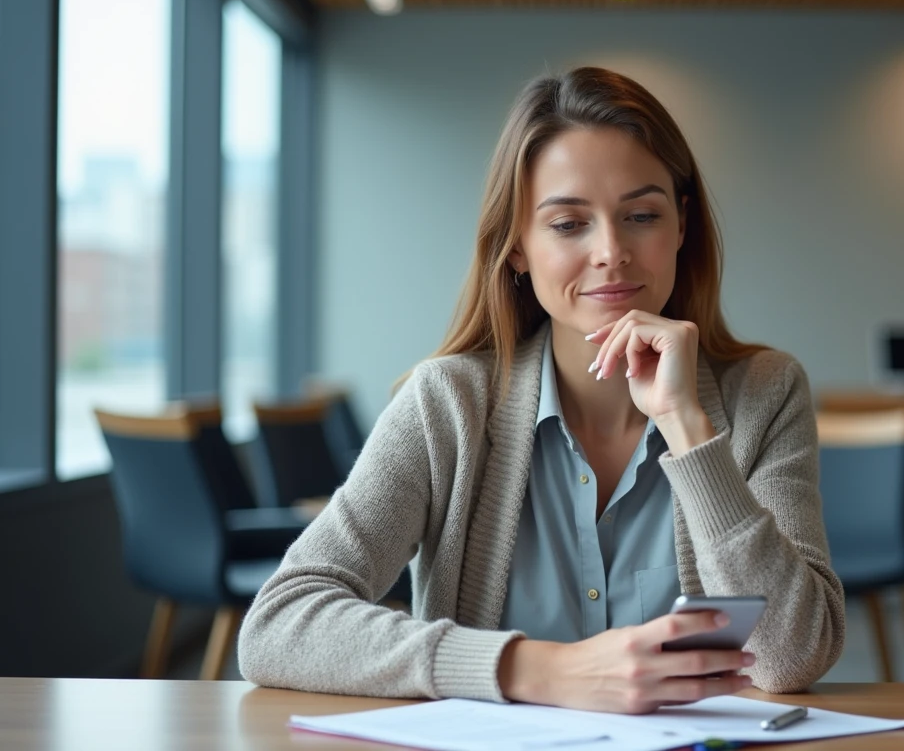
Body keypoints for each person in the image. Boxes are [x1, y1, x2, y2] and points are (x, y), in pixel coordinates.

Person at [238, 66, 845, 713]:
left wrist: (690, 430)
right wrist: (541, 670)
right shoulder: (446, 402)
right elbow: (279, 624)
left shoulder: (766, 391)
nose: (611, 251)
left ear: (681, 225)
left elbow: (792, 658)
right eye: (566, 224)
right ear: (518, 247)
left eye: (642, 215)